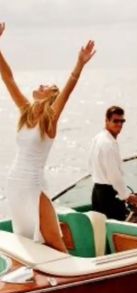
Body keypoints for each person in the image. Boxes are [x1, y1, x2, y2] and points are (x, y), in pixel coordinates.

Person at [0, 22, 95, 252]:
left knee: (53, 239)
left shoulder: (49, 120)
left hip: (32, 184)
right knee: (25, 239)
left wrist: (79, 64)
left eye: (45, 86)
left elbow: (68, 90)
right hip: (15, 183)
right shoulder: (26, 112)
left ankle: (72, 281)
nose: (39, 85)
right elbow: (9, 79)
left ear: (50, 97)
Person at [88, 106, 137, 221]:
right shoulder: (108, 144)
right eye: (115, 121)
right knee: (118, 227)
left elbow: (90, 164)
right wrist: (126, 195)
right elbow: (114, 175)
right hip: (108, 195)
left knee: (101, 230)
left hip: (97, 192)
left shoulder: (97, 138)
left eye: (122, 121)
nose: (119, 124)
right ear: (107, 121)